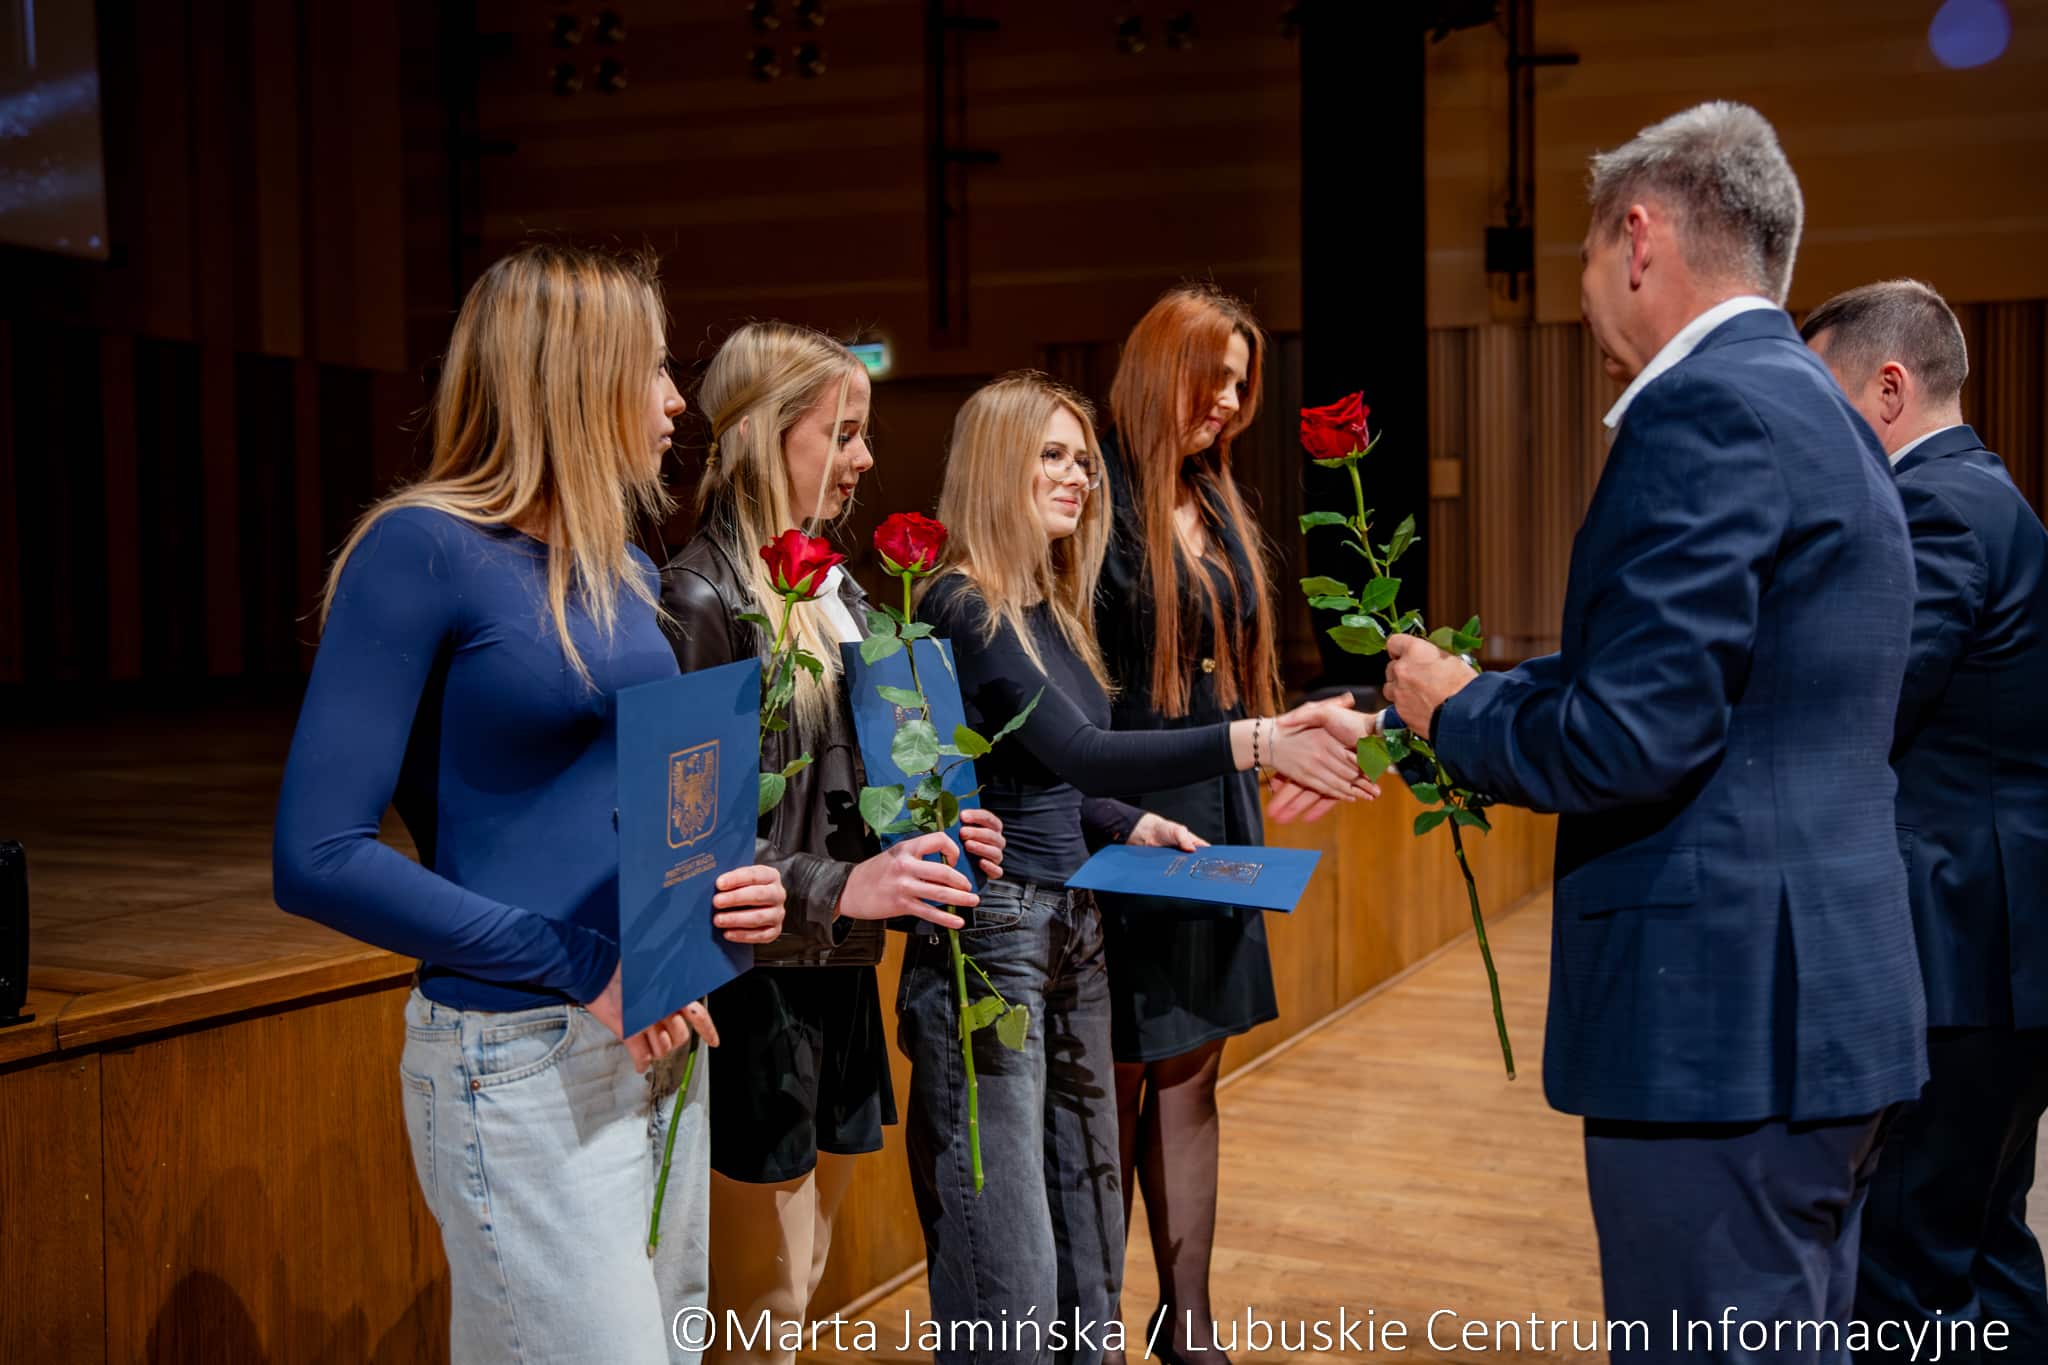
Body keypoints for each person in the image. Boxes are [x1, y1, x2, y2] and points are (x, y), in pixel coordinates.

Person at [1379, 103, 1927, 1364]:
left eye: (1579, 259)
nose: (1578, 296)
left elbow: (1632, 737)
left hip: (1724, 1031)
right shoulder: (1816, 407)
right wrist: (1491, 690)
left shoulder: (1707, 412)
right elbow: (1731, 688)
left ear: (1638, 238)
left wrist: (1460, 716)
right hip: (1816, 1007)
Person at [272, 243, 788, 1365]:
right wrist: (577, 963)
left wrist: (726, 886)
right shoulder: (422, 549)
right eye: (649, 369)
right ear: (569, 378)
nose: (670, 401)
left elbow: (632, 806)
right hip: (515, 1053)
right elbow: (315, 854)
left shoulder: (631, 573)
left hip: (653, 1028)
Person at [909, 371, 1375, 1365]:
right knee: (1017, 1243)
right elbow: (1080, 751)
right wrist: (1249, 742)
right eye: (1050, 454)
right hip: (999, 934)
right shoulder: (961, 601)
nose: (1077, 475)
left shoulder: (1048, 604)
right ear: (995, 463)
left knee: (1087, 1217)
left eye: (1081, 458)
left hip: (1071, 916)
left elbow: (1062, 778)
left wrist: (1131, 825)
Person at [658, 321, 1006, 1365]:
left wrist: (945, 818)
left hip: (838, 977)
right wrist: (841, 887)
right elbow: (688, 848)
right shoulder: (697, 600)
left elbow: (868, 786)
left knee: (797, 1287)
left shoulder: (843, 595)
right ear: (768, 437)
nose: (863, 460)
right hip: (752, 990)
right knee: (752, 1311)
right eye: (842, 434)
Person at [1802, 280, 2048, 1364]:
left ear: (1888, 387)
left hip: (1957, 946)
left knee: (1906, 1264)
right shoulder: (1989, 492)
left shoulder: (1933, 507)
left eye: (1825, 401)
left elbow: (1870, 703)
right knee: (1984, 1248)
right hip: (2003, 946)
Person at [1081, 285, 1316, 1365]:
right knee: (1120, 1073)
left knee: (1191, 1070)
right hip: (1124, 812)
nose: (1226, 401)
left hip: (1215, 803)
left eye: (1238, 383)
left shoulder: (1212, 501)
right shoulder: (1089, 506)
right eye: (1209, 376)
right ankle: (1085, 1327)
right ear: (1154, 370)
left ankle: (1190, 1327)